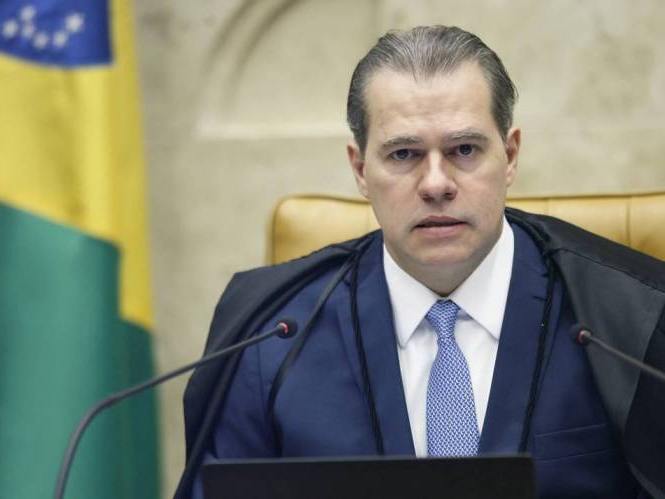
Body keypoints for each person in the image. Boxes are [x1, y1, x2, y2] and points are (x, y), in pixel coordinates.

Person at [176, 26, 665, 499]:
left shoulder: (629, 319)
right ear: (360, 169)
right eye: (404, 154)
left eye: (464, 149)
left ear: (511, 155)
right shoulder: (268, 333)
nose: (436, 184)